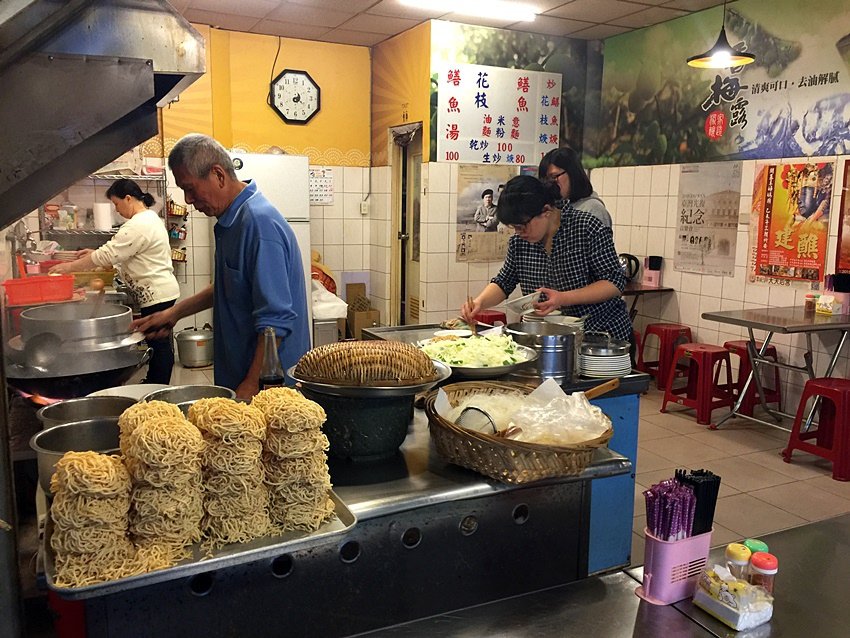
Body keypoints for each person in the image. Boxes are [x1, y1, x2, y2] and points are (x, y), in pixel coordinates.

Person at [130, 134, 311, 400]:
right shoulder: (231, 220)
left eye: (190, 189)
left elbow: (276, 321)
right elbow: (229, 286)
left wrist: (250, 386)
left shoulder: (258, 224)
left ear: (218, 175)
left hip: (269, 385)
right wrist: (174, 313)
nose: (188, 200)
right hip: (241, 374)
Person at [461, 175, 631, 342]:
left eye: (522, 226)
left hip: (599, 337)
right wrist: (479, 303)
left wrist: (563, 298)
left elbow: (614, 282)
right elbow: (504, 282)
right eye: (514, 227)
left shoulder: (586, 228)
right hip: (549, 338)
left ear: (546, 211)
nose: (519, 233)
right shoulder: (520, 242)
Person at [49, 178, 179, 384]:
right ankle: (155, 383)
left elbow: (109, 254)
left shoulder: (140, 224)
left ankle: (157, 388)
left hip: (157, 294)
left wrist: (69, 268)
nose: (116, 210)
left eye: (117, 204)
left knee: (159, 344)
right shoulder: (148, 219)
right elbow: (128, 255)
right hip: (158, 291)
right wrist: (94, 254)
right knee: (156, 342)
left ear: (128, 199)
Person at [539, 147, 612, 228]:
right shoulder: (552, 209)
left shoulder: (593, 210)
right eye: (546, 179)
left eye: (554, 176)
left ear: (572, 173)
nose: (550, 183)